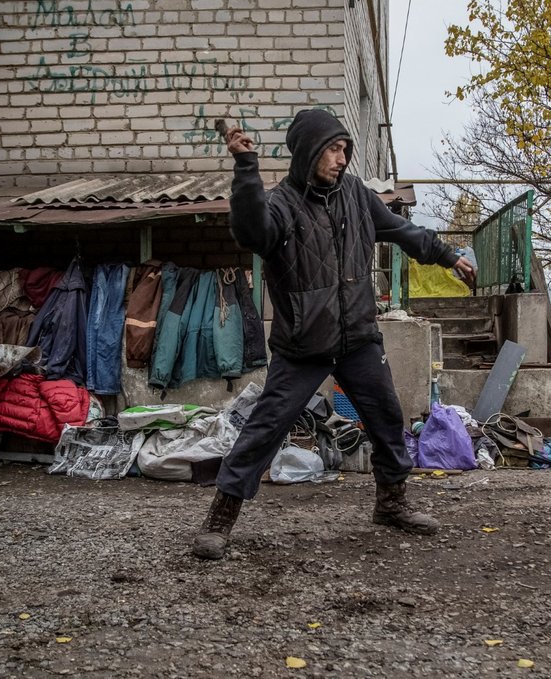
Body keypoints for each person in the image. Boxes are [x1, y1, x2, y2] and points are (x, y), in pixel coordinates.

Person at [192, 108, 476, 560]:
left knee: (386, 418)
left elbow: (402, 231)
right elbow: (249, 232)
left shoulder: (356, 196)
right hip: (302, 346)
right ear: (309, 152)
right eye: (333, 149)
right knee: (266, 428)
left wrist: (447, 256)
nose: (342, 158)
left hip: (358, 338)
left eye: (345, 149)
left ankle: (392, 503)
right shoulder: (282, 205)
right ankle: (220, 519)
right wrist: (245, 168)